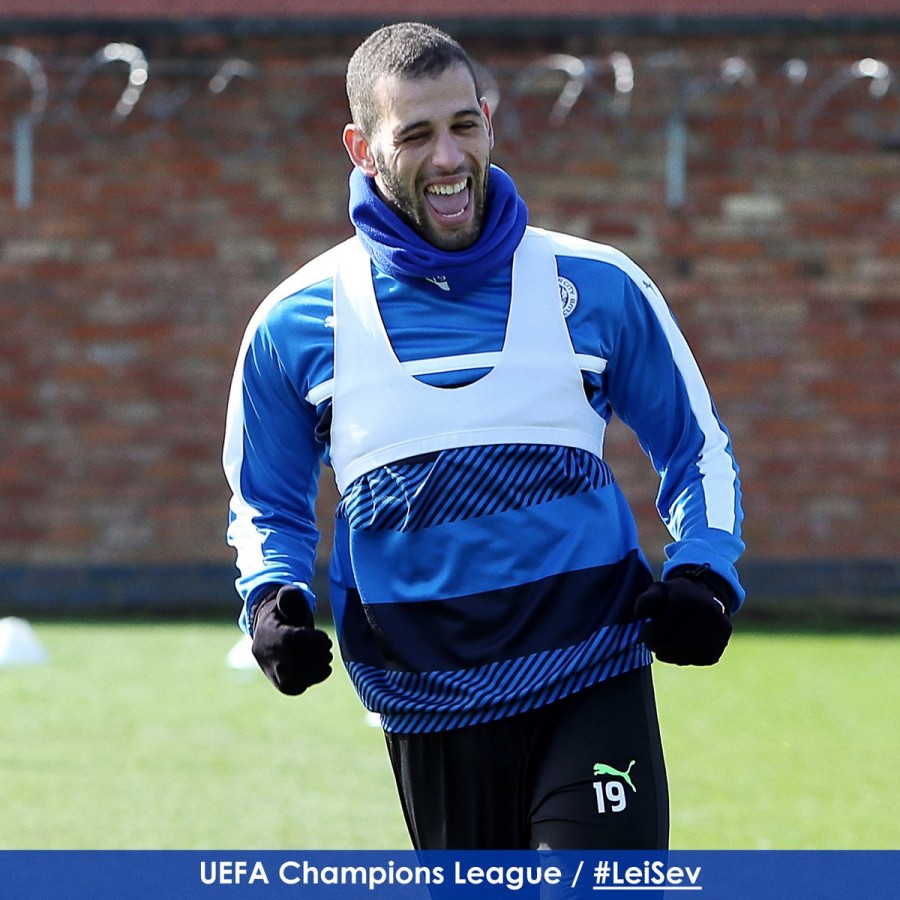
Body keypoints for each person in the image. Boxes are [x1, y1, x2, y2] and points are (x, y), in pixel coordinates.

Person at [223, 21, 744, 852]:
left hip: (592, 672)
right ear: (361, 148)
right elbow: (266, 501)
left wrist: (704, 574)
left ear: (490, 122)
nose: (447, 158)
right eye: (415, 135)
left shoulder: (597, 284)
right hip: (425, 698)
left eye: (463, 125)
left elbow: (696, 447)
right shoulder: (294, 322)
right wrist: (268, 603)